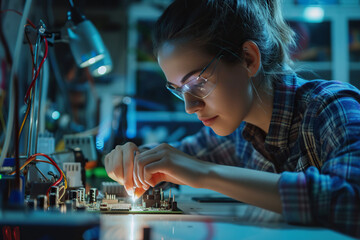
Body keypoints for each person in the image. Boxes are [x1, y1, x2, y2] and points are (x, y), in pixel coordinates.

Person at [104, 0, 360, 237]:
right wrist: (134, 160)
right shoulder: (241, 132)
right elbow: (175, 160)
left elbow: (351, 201)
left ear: (248, 59)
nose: (190, 107)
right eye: (178, 89)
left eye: (198, 83)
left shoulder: (332, 106)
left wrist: (206, 173)